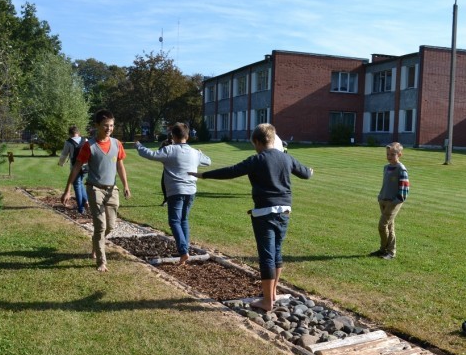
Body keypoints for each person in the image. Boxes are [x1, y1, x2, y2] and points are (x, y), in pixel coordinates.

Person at [189, 123, 313, 311]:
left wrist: (203, 175)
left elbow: (231, 171)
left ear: (257, 141)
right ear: (273, 139)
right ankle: (272, 293)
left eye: (254, 144)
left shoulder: (257, 159)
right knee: (277, 252)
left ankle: (267, 301)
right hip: (284, 212)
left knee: (267, 256)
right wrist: (310, 171)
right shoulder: (286, 158)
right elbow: (305, 174)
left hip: (264, 213)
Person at [61, 109, 131, 272]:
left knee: (110, 226)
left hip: (112, 190)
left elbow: (120, 166)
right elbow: (77, 167)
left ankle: (96, 242)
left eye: (111, 125)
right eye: (105, 125)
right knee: (100, 226)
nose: (109, 128)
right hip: (94, 189)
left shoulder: (117, 144)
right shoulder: (89, 145)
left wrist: (126, 186)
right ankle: (101, 261)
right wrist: (67, 189)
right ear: (97, 125)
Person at [136, 122, 211, 264]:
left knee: (174, 221)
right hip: (191, 191)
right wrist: (200, 153)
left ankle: (183, 251)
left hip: (176, 191)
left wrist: (139, 146)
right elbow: (208, 161)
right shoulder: (195, 153)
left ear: (173, 136)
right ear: (187, 136)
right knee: (184, 220)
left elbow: (150, 154)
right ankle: (185, 249)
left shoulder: (169, 150)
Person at [369, 142, 409, 260]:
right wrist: (380, 196)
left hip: (393, 202)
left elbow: (404, 189)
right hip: (383, 200)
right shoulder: (386, 167)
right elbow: (386, 184)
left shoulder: (401, 169)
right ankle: (388, 251)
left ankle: (387, 250)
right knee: (390, 227)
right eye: (388, 154)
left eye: (392, 154)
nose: (389, 156)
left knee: (382, 226)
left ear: (399, 154)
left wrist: (396, 200)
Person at [58, 126, 88, 214]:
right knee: (80, 183)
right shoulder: (85, 140)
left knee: (77, 186)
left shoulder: (68, 142)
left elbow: (64, 154)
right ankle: (86, 201)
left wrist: (61, 163)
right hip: (86, 166)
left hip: (75, 167)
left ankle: (81, 209)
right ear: (78, 132)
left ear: (70, 133)